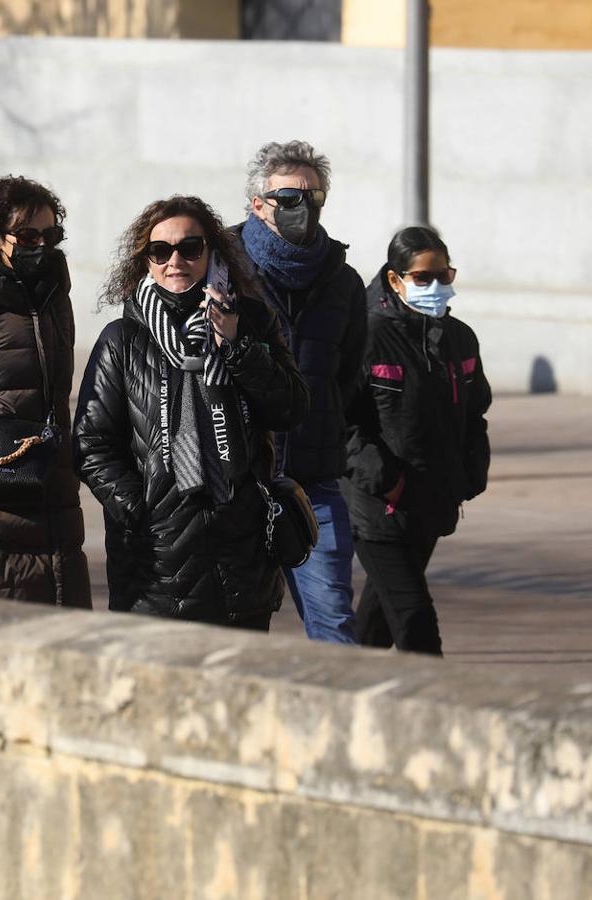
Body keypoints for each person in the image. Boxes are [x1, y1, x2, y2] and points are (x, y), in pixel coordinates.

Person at [74, 195, 309, 628]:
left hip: (242, 555)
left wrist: (235, 344)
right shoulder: (121, 340)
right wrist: (137, 507)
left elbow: (290, 408)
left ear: (212, 253)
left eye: (190, 248)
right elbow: (92, 443)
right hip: (155, 561)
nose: (174, 260)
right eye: (160, 251)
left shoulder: (252, 320)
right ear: (145, 261)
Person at [235, 140, 367, 645]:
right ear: (258, 205)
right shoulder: (223, 269)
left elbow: (345, 375)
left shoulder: (343, 282)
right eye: (287, 198)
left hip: (314, 482)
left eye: (311, 199)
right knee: (238, 627)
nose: (301, 209)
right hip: (235, 480)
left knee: (335, 624)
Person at [344, 225, 491, 655]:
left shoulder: (459, 338)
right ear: (395, 279)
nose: (436, 286)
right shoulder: (368, 335)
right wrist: (387, 480)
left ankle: (340, 692)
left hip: (432, 502)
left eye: (444, 276)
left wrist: (468, 474)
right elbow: (342, 422)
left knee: (376, 625)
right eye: (422, 277)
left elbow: (474, 411)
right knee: (416, 623)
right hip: (379, 508)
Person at [0, 176, 91, 607]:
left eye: (52, 235)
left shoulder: (54, 295)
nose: (42, 246)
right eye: (29, 235)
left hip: (54, 486)